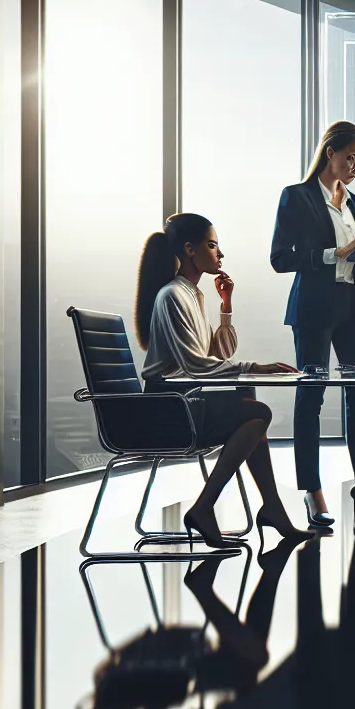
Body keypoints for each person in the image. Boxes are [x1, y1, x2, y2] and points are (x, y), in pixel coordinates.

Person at [135, 212, 311, 546]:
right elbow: (196, 366)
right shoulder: (173, 296)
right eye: (212, 245)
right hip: (165, 409)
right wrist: (256, 368)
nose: (220, 254)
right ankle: (205, 508)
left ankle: (270, 508)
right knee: (256, 413)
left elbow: (220, 356)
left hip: (182, 402)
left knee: (253, 413)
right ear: (190, 249)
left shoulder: (191, 294)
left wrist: (225, 306)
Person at [270, 121, 355, 530]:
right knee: (312, 399)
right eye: (351, 158)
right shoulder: (297, 197)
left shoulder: (354, 202)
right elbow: (280, 258)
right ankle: (312, 489)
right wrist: (332, 253)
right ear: (330, 154)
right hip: (314, 310)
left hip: (351, 308)